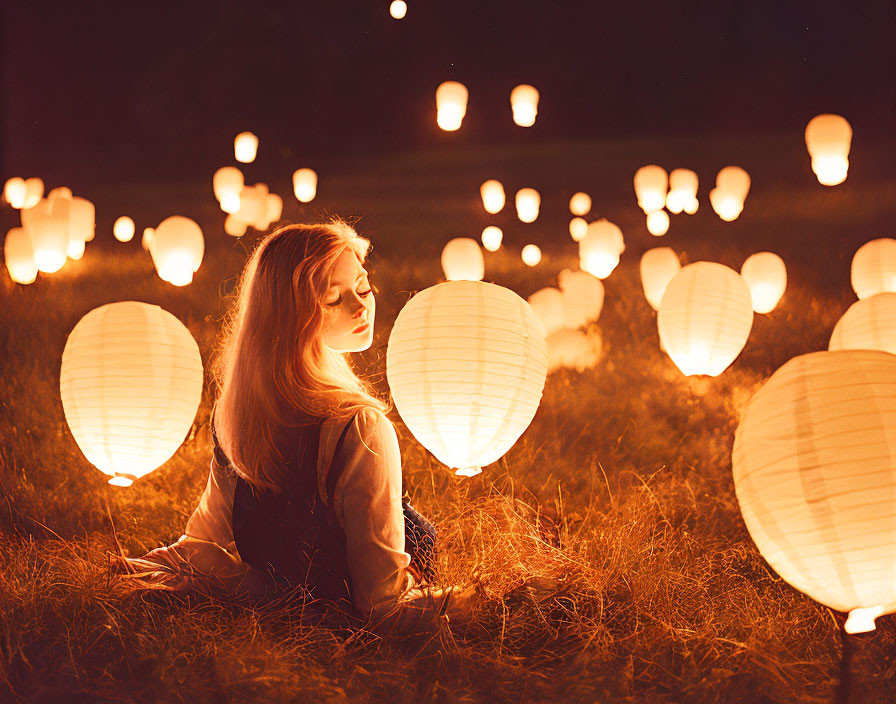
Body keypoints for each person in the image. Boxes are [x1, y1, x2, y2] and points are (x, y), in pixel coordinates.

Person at [111, 221, 483, 635]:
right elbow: (383, 606)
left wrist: (158, 566)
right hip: (338, 634)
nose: (360, 308)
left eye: (362, 287)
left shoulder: (238, 410)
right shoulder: (359, 430)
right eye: (331, 299)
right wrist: (488, 599)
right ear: (291, 316)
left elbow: (201, 542)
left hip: (282, 604)